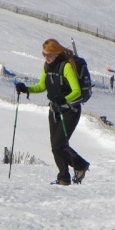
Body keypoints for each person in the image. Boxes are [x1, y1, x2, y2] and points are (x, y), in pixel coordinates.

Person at [15, 38, 90, 186]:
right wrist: (26, 89)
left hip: (70, 111)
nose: (46, 58)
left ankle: (80, 165)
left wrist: (64, 99)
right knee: (56, 147)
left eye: (49, 55)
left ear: (56, 53)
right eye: (44, 54)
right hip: (54, 110)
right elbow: (42, 86)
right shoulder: (47, 67)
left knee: (58, 145)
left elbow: (76, 91)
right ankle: (63, 178)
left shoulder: (66, 67)